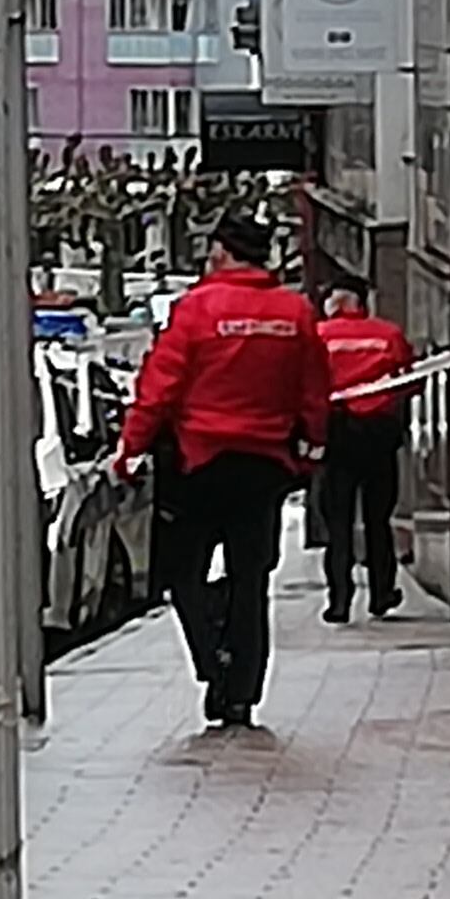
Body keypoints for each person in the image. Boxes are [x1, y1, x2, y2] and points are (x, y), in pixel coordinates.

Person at [118, 209, 330, 730]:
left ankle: (212, 655)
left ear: (220, 253)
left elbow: (160, 388)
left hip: (198, 461)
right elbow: (314, 391)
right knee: (252, 578)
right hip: (263, 465)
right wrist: (310, 448)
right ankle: (241, 694)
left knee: (181, 572)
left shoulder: (194, 309)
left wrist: (130, 448)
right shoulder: (296, 312)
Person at [314, 276, 416, 623]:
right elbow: (410, 380)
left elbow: (305, 384)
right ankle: (382, 592)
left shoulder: (318, 337)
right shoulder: (387, 335)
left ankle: (339, 600)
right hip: (379, 436)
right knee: (378, 518)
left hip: (337, 435)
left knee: (337, 523)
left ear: (333, 304)